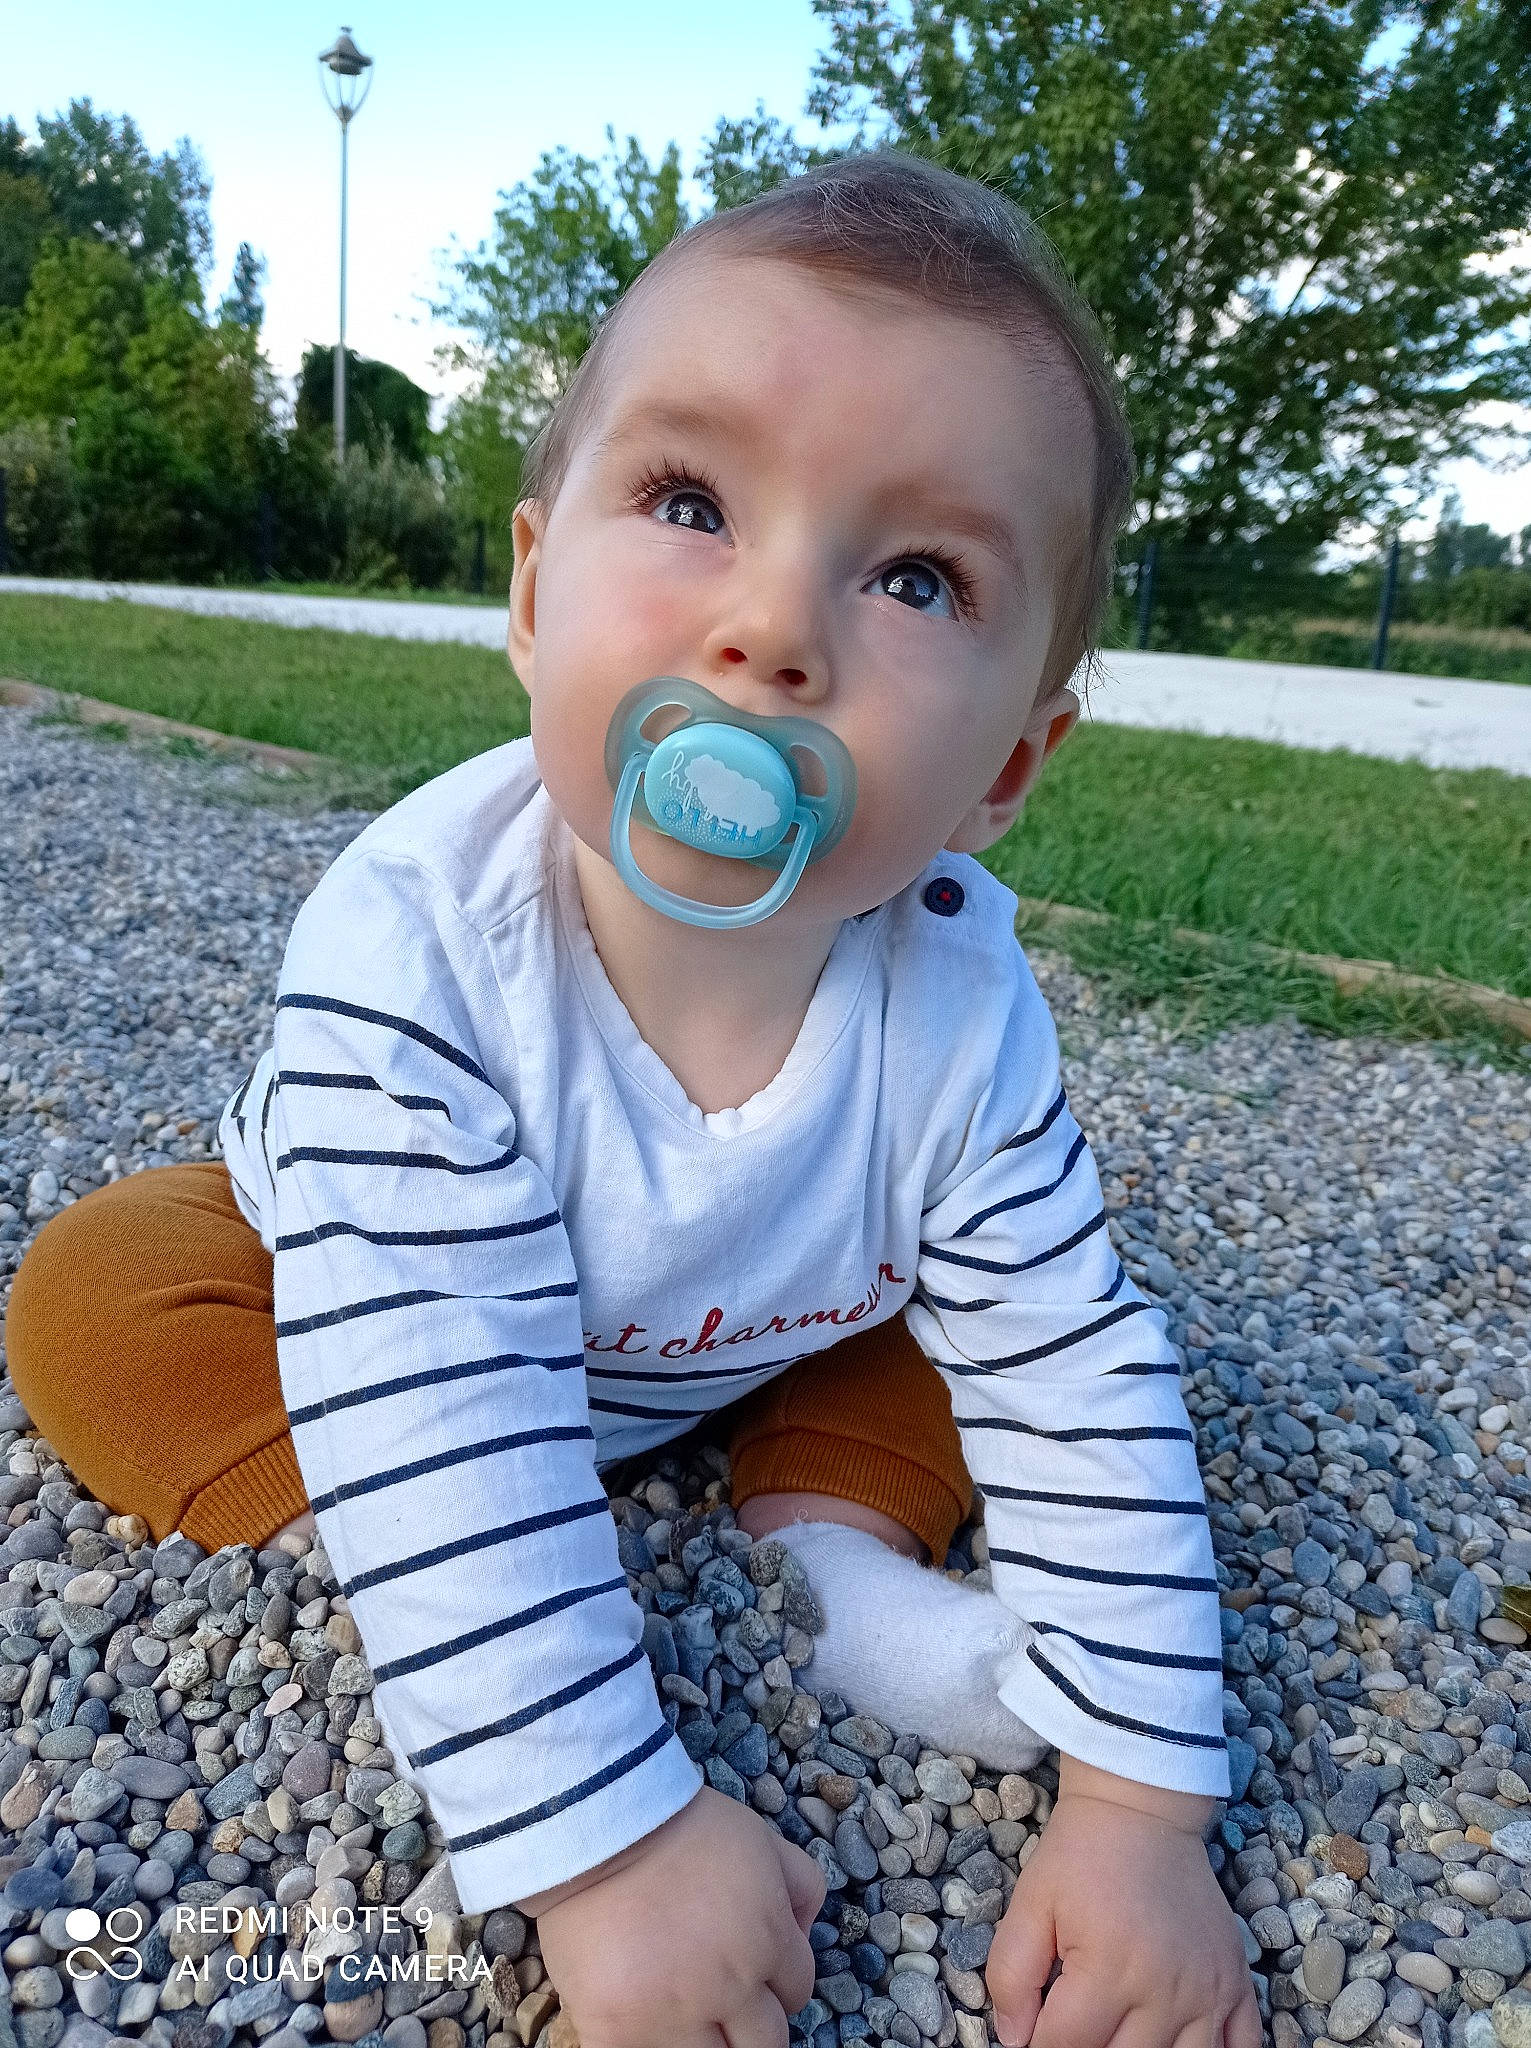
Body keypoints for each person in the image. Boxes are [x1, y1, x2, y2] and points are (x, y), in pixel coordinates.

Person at [6, 153, 1260, 2048]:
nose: (772, 628)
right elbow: (425, 1353)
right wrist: (607, 1854)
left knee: (1013, 1335)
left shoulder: (961, 1010)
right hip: (378, 1300)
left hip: (768, 1325)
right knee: (102, 1303)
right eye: (691, 503)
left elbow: (1072, 1380)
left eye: (917, 577)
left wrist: (1143, 1816)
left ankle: (824, 1564)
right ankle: (435, 1546)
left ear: (1008, 767)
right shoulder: (419, 955)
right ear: (533, 591)